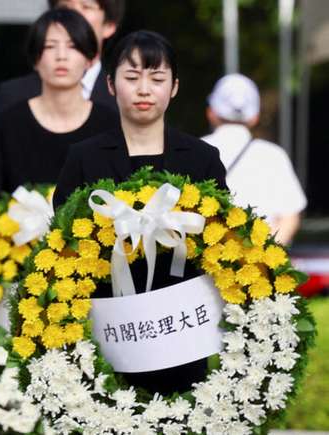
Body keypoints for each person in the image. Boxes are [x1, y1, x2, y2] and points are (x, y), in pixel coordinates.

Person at [53, 30, 227, 395]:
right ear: (111, 85)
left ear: (174, 87)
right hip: (109, 330)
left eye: (157, 78)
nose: (144, 89)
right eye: (131, 78)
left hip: (180, 329)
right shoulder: (83, 158)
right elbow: (64, 242)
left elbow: (221, 243)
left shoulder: (201, 158)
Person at [0, 9, 118, 199]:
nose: (61, 56)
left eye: (73, 46)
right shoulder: (8, 122)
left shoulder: (110, 123)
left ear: (90, 59)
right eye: (50, 46)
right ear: (35, 59)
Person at [202, 74, 306, 245]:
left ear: (211, 113)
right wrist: (264, 256)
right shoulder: (274, 156)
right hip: (257, 267)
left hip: (205, 265)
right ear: (254, 116)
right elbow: (290, 217)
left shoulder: (193, 151)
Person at [0, 0, 125, 118]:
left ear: (109, 26)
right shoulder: (13, 97)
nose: (74, 15)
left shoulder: (123, 101)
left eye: (86, 6)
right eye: (65, 7)